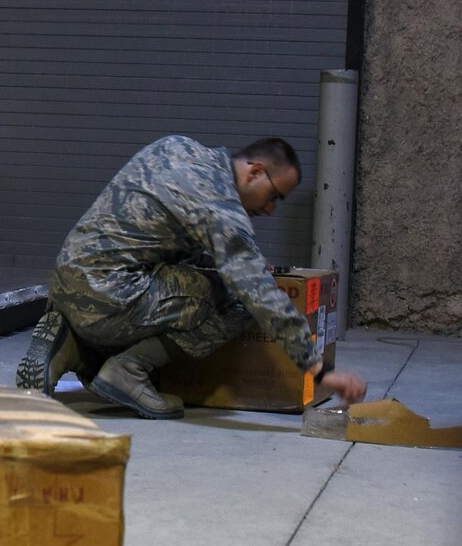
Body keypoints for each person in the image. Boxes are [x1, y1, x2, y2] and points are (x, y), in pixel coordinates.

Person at [18, 134, 367, 417]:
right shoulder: (222, 206)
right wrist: (319, 371)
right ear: (255, 171)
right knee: (235, 300)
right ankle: (127, 369)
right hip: (110, 297)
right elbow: (256, 291)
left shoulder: (177, 147)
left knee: (188, 275)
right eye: (275, 196)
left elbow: (161, 234)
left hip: (66, 282)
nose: (270, 209)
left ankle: (70, 344)